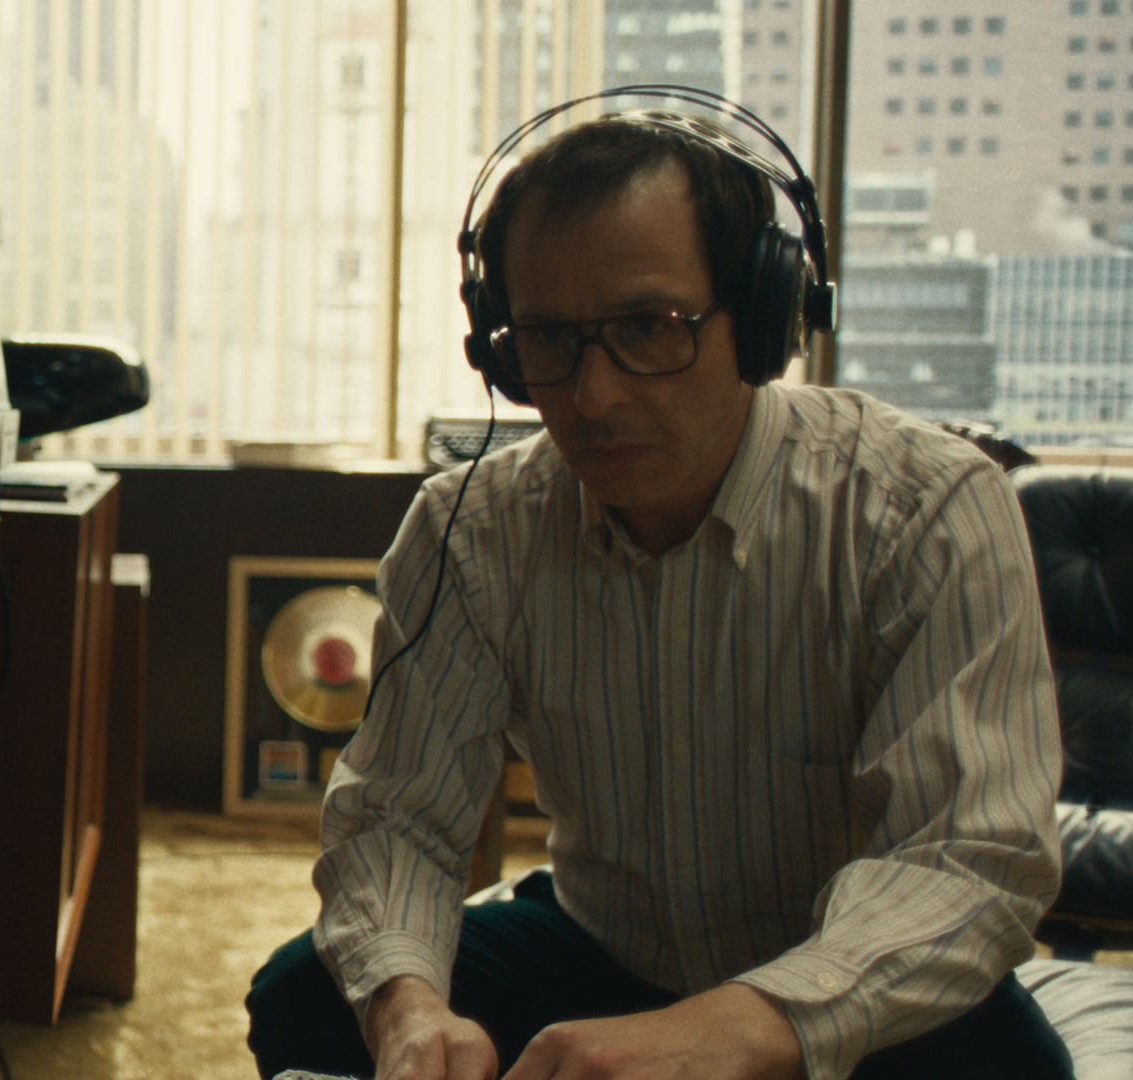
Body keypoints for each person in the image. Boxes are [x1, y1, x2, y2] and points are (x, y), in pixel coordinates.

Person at [244, 112, 1072, 1080]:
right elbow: (398, 816)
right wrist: (410, 1009)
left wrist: (746, 1023)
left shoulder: (924, 507)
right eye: (548, 340)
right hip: (604, 948)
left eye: (647, 327)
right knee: (307, 995)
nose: (593, 397)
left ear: (765, 319)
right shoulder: (469, 530)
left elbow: (968, 857)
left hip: (842, 984)